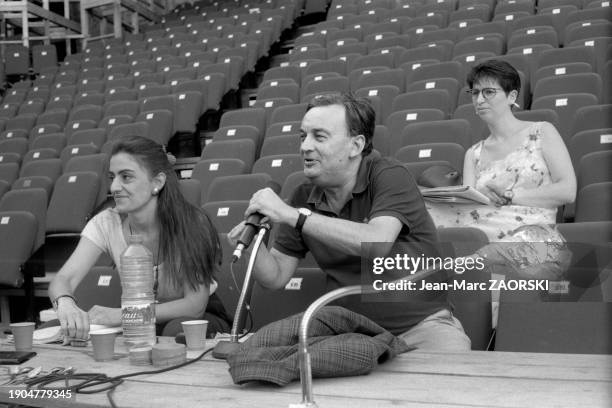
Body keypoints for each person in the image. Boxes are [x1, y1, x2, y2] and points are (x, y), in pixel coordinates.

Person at [229, 93, 471, 351]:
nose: (304, 146)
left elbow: (376, 243)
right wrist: (255, 245)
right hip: (350, 335)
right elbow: (275, 277)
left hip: (422, 330)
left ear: (356, 145)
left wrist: (293, 215)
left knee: (452, 378)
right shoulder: (303, 196)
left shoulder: (389, 176)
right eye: (303, 136)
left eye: (319, 137)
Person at [48, 136, 231, 340]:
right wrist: (66, 304)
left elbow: (194, 306)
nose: (114, 188)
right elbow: (64, 278)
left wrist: (121, 316)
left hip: (194, 319)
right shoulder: (106, 222)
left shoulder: (192, 223)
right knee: (60, 327)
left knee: (175, 331)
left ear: (158, 182)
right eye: (112, 177)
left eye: (126, 177)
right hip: (137, 320)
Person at [426, 59, 575, 300]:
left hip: (533, 237)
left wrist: (512, 195)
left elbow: (568, 191)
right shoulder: (473, 153)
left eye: (488, 92)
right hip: (484, 235)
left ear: (511, 95)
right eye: (474, 93)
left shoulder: (542, 132)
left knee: (474, 270)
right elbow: (469, 209)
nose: (479, 99)